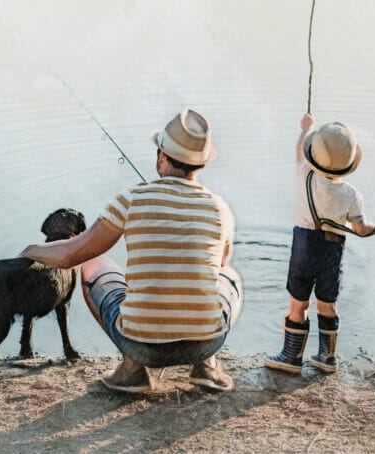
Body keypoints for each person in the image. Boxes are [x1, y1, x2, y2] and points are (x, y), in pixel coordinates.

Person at [20, 108, 243, 392]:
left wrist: (30, 250)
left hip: (140, 346)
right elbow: (219, 267)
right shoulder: (220, 208)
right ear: (201, 164)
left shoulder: (132, 198)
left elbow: (70, 254)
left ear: (162, 156)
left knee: (92, 263)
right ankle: (207, 366)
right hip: (205, 342)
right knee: (229, 276)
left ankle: (131, 370)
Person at [264, 113, 375, 374]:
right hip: (331, 250)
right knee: (328, 303)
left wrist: (306, 128)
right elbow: (361, 228)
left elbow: (298, 152)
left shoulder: (305, 175)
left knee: (297, 304)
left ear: (315, 155)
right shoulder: (351, 195)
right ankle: (327, 358)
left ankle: (291, 357)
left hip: (303, 247)